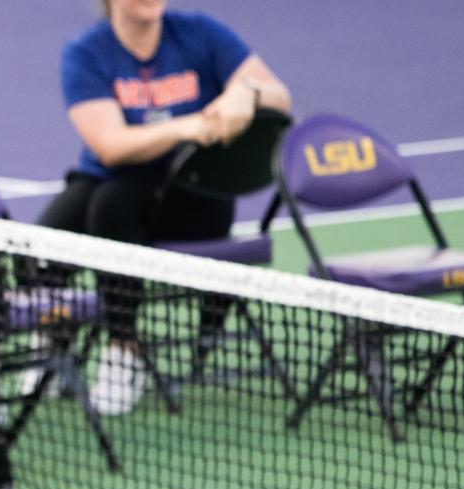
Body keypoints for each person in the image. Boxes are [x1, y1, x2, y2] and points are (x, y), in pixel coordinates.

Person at [38, 0, 292, 413]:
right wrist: (189, 126)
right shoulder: (86, 52)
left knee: (111, 207)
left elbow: (280, 96)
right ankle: (51, 344)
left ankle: (123, 350)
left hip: (196, 195)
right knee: (38, 247)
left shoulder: (200, 33)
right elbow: (111, 147)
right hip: (116, 180)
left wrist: (247, 91)